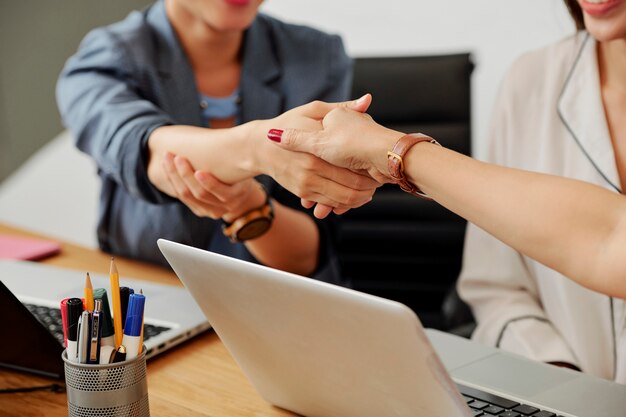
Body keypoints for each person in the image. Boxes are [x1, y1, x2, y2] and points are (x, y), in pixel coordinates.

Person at [263, 86, 626, 379]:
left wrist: (388, 150)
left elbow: (611, 241)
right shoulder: (531, 78)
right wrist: (553, 376)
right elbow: (496, 286)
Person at [56, 0, 377, 283]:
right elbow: (145, 151)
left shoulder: (316, 56)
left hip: (273, 308)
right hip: (149, 302)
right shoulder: (107, 59)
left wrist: (246, 206)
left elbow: (306, 258)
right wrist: (258, 149)